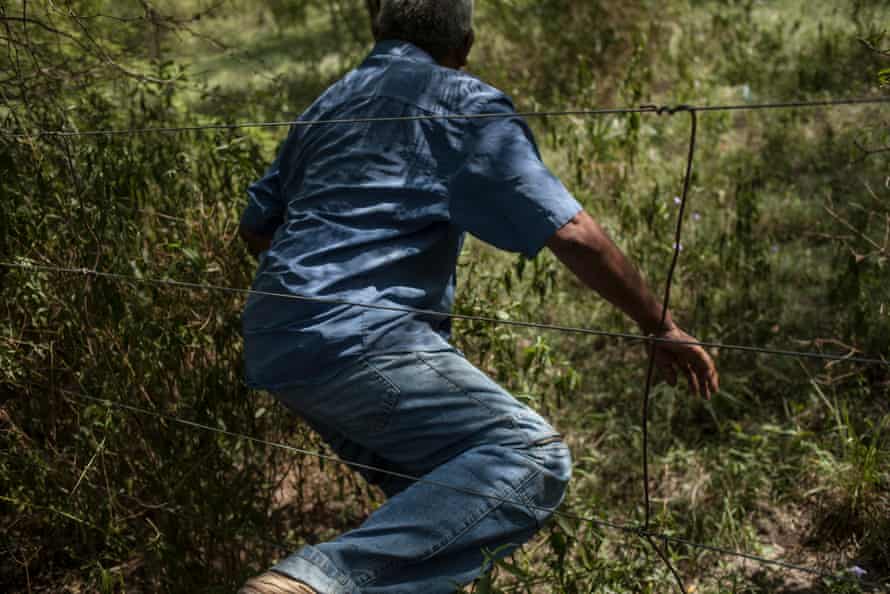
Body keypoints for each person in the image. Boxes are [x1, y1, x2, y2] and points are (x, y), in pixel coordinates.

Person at [237, 1, 719, 592]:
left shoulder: (327, 105)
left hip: (275, 341)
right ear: (464, 45)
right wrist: (658, 323)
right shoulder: (460, 102)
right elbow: (571, 233)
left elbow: (257, 227)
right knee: (528, 458)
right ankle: (318, 582)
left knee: (444, 497)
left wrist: (316, 280)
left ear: (377, 30)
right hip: (363, 337)